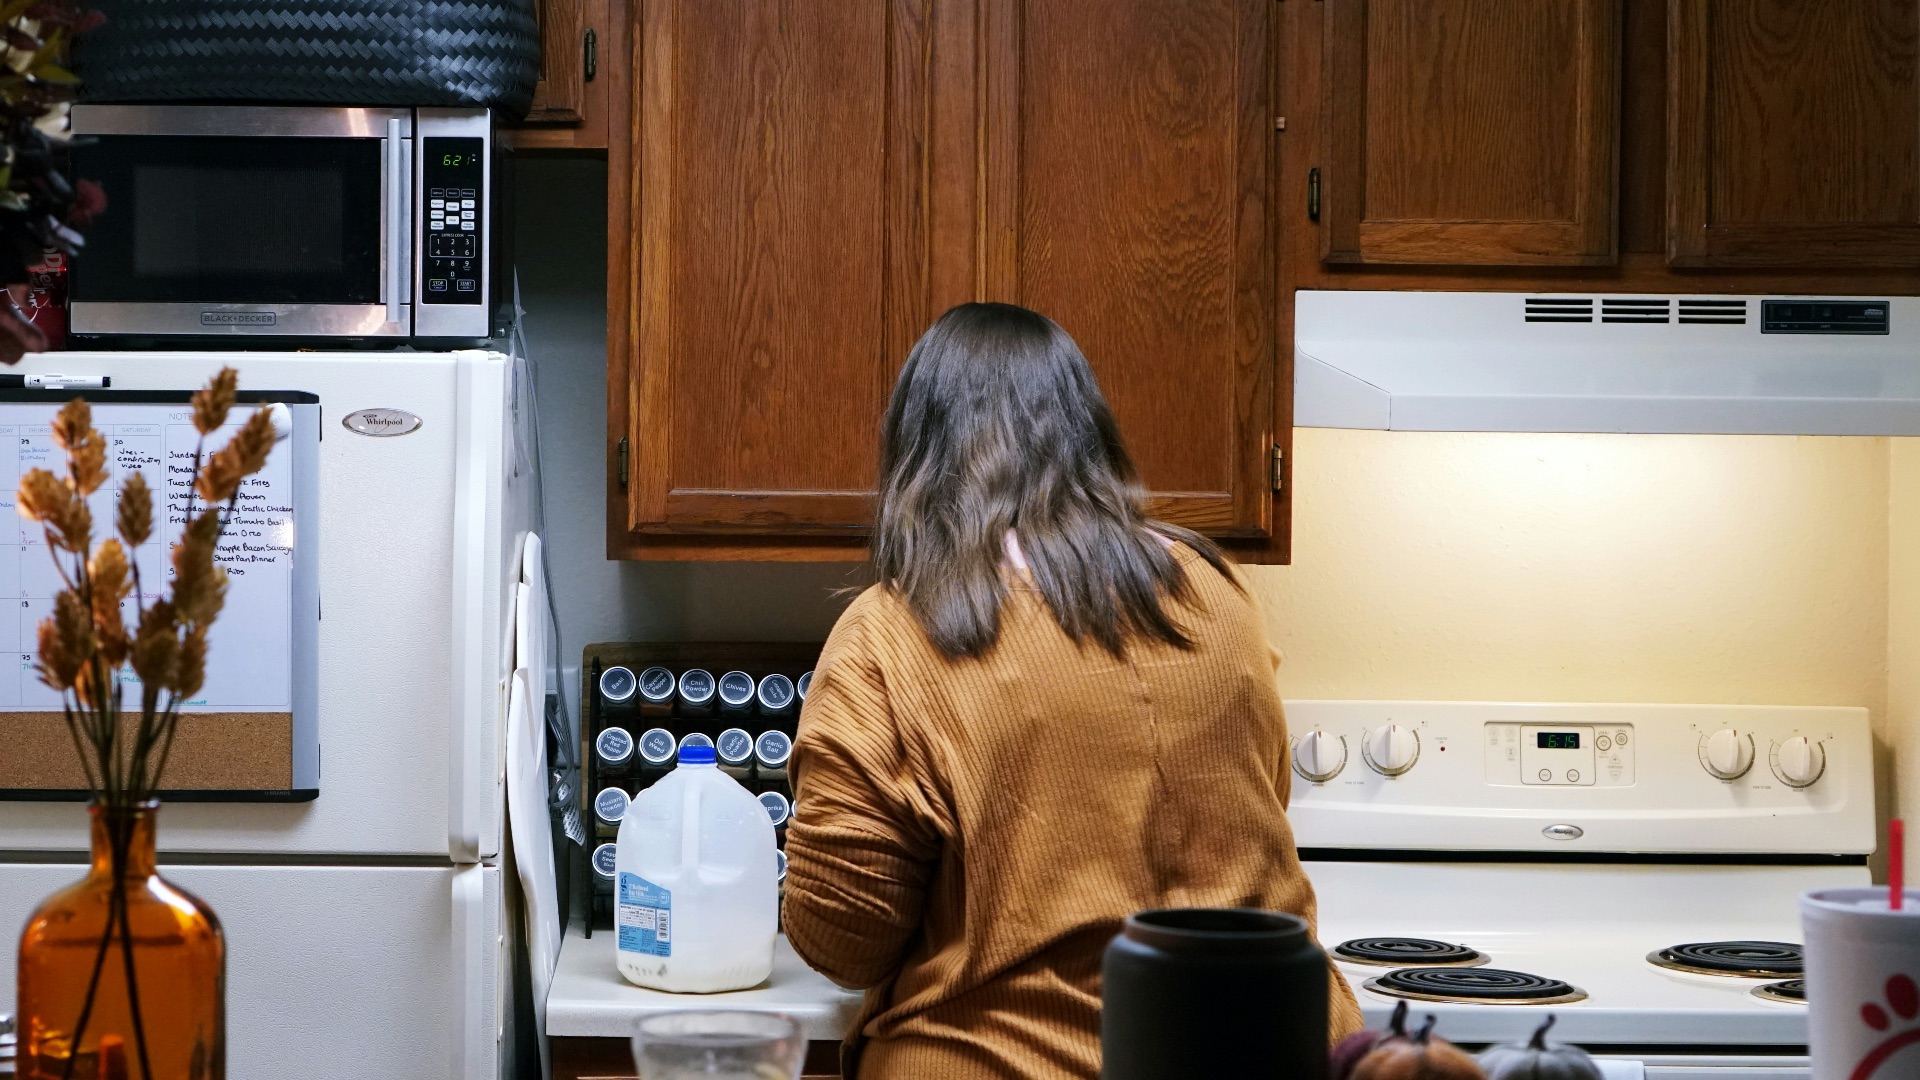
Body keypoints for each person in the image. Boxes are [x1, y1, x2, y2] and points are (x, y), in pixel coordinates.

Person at [782, 302, 1363, 1079]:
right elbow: (1261, 802)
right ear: (1088, 431)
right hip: (1268, 1049)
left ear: (916, 453)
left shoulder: (893, 630)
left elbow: (844, 938)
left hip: (1001, 1061)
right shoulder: (1217, 594)